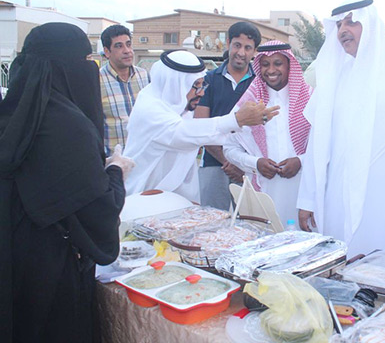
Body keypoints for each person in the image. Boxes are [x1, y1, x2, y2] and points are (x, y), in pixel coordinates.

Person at [0, 23, 134, 342]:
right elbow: (98, 210)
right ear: (66, 67)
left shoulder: (12, 114)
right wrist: (116, 170)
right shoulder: (69, 127)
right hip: (52, 269)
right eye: (85, 60)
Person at [297, 0, 385, 257]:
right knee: (340, 264)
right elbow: (315, 145)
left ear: (371, 26)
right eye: (339, 25)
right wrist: (307, 199)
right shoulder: (334, 78)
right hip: (336, 200)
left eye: (352, 22)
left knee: (383, 269)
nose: (343, 30)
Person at [124, 50, 278, 203]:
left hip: (175, 199)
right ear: (176, 85)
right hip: (142, 198)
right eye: (195, 86)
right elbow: (182, 133)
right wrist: (236, 120)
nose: (201, 93)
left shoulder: (180, 107)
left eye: (202, 85)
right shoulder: (149, 108)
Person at [224, 41, 312, 223]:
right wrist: (256, 163)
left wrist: (300, 161)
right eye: (265, 64)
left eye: (278, 63)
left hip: (303, 193)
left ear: (289, 65)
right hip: (261, 191)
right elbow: (229, 149)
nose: (271, 70)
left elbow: (327, 146)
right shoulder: (248, 103)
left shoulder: (310, 99)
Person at [195, 22, 262, 210]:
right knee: (212, 221)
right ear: (228, 44)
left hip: (248, 168)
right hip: (214, 164)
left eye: (247, 48)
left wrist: (242, 164)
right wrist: (228, 162)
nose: (241, 52)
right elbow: (201, 127)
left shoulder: (259, 83)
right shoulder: (208, 80)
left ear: (254, 51)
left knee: (250, 221)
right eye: (237, 45)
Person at [100, 24, 151, 155]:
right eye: (119, 46)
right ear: (107, 52)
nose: (127, 50)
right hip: (114, 159)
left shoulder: (144, 76)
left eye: (128, 44)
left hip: (144, 157)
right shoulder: (97, 80)